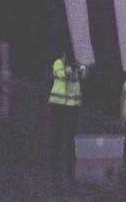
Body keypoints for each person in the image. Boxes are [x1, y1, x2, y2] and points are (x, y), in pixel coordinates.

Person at [49, 50, 88, 178]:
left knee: (71, 133)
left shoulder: (78, 64)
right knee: (57, 132)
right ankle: (56, 158)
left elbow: (84, 76)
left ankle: (70, 158)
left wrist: (82, 67)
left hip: (72, 105)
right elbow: (61, 75)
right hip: (58, 104)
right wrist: (72, 68)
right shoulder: (58, 63)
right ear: (64, 54)